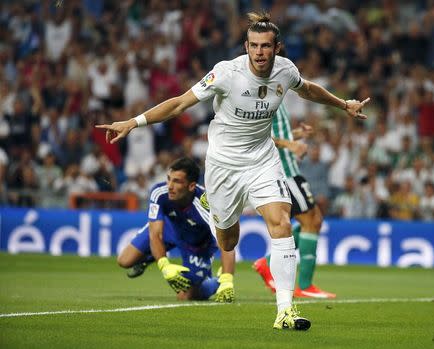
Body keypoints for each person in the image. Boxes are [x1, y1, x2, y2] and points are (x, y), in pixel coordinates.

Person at [96, 12, 369, 331]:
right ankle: (217, 209)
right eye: (253, 46)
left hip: (263, 160)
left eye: (266, 46)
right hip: (223, 166)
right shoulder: (226, 73)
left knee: (281, 223)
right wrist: (133, 122)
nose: (259, 52)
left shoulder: (285, 70)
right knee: (227, 241)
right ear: (246, 46)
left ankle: (285, 310)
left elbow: (307, 89)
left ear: (277, 47)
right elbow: (180, 104)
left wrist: (343, 104)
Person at [117, 157, 235, 302]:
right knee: (124, 260)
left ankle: (214, 283)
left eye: (177, 181)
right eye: (169, 179)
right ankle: (150, 258)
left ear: (191, 186)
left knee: (185, 296)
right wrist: (164, 265)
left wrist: (227, 279)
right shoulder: (159, 193)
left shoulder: (206, 204)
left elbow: (226, 243)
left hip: (197, 245)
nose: (170, 186)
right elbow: (155, 234)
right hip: (169, 228)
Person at [253, 101, 336, 299]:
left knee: (313, 220)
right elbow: (257, 137)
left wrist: (296, 134)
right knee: (311, 221)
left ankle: (267, 263)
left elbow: (276, 133)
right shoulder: (261, 99)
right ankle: (305, 285)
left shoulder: (276, 96)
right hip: (283, 172)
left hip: (290, 170)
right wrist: (290, 144)